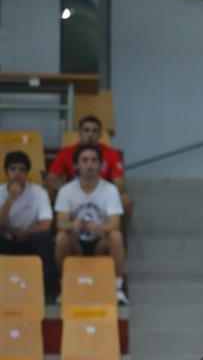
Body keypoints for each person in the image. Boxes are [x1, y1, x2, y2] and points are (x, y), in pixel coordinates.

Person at [53, 143, 127, 304]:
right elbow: (60, 223)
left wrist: (98, 227)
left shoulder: (110, 190)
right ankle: (63, 288)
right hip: (76, 243)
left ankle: (118, 289)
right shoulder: (66, 190)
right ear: (76, 165)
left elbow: (115, 224)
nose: (90, 164)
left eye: (94, 160)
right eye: (85, 160)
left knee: (116, 236)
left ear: (100, 165)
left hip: (99, 242)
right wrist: (73, 225)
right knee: (61, 237)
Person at [45, 114, 133, 225]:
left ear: (100, 134)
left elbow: (120, 185)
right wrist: (69, 191)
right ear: (79, 133)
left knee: (126, 200)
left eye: (94, 131)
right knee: (47, 191)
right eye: (86, 130)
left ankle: (117, 231)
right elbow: (51, 179)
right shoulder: (66, 152)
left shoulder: (112, 154)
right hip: (73, 192)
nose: (90, 134)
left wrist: (101, 192)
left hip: (102, 193)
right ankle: (55, 229)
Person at [0, 150, 57, 296]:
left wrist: (21, 234)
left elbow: (46, 224)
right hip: (6, 239)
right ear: (6, 172)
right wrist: (10, 199)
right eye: (13, 169)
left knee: (44, 238)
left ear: (27, 173)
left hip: (30, 239)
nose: (17, 174)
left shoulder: (39, 192)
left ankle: (48, 292)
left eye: (21, 170)